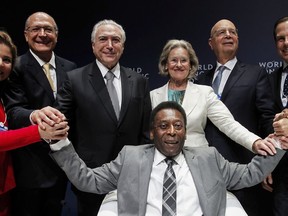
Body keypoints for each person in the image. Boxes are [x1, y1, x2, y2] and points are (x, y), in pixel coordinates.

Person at [48, 101, 285, 216]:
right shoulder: (130, 157)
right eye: (163, 126)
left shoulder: (207, 157)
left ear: (184, 131)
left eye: (178, 126)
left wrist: (279, 142)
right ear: (152, 132)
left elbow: (249, 174)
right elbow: (86, 180)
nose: (172, 131)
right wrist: (60, 143)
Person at [52, 19, 152, 215]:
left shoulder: (139, 81)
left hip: (131, 174)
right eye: (103, 39)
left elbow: (146, 129)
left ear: (122, 46)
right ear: (93, 45)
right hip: (90, 176)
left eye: (115, 40)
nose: (109, 45)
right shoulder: (74, 79)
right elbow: (62, 126)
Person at [195, 19, 276, 215]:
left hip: (243, 168)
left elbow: (266, 119)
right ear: (211, 43)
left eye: (233, 32)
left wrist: (269, 163)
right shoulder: (200, 80)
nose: (228, 35)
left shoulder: (256, 74)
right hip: (206, 170)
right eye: (221, 32)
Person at [2, 12, 77, 216]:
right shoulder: (14, 66)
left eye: (48, 29)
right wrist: (34, 115)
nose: (42, 34)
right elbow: (13, 112)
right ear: (26, 35)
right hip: (29, 167)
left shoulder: (70, 68)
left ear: (57, 35)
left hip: (62, 165)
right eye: (36, 29)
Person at [267, 16, 288, 216]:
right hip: (281, 176)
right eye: (281, 39)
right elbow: (264, 122)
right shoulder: (270, 78)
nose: (286, 43)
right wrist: (266, 164)